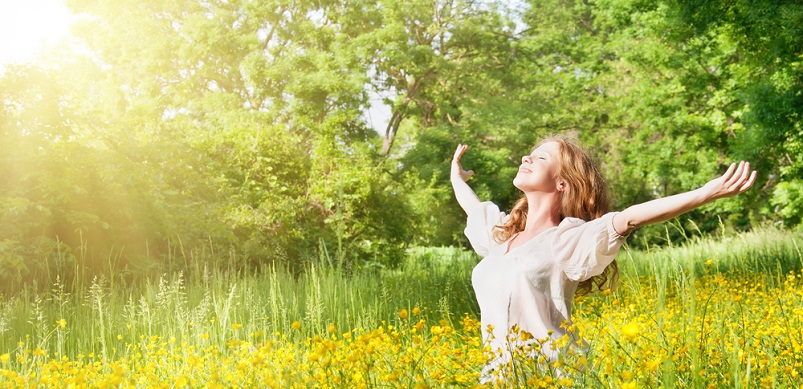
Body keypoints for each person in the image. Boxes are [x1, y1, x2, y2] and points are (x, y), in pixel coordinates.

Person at [450, 136, 757, 384]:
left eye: (541, 158)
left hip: (552, 376)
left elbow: (630, 218)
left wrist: (704, 193)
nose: (526, 159)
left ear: (562, 183)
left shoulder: (567, 239)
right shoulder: (502, 237)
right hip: (499, 377)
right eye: (529, 155)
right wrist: (457, 176)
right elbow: (474, 208)